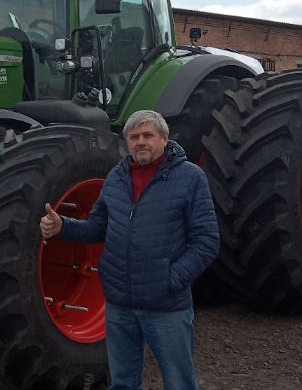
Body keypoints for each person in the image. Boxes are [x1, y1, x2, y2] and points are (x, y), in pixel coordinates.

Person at [39, 110, 219, 390]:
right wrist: (63, 225)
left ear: (164, 138)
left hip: (166, 305)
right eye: (134, 137)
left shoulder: (190, 178)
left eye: (148, 135)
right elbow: (97, 227)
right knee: (123, 381)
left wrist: (171, 280)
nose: (141, 142)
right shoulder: (116, 177)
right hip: (120, 302)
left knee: (178, 381)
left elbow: (207, 241)